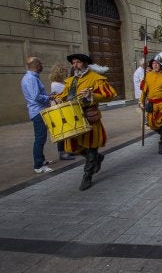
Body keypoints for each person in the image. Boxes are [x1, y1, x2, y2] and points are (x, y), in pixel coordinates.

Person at [55, 54, 117, 191]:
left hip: (89, 117)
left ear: (85, 64)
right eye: (73, 63)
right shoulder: (70, 81)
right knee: (76, 147)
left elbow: (110, 95)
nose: (75, 65)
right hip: (73, 118)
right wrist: (58, 99)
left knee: (91, 146)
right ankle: (97, 158)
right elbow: (63, 95)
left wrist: (92, 96)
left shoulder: (96, 79)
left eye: (78, 62)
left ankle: (87, 176)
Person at [21, 57, 55, 174]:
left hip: (39, 111)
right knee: (40, 139)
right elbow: (36, 97)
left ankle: (42, 160)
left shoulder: (32, 77)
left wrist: (47, 96)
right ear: (36, 65)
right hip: (38, 112)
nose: (42, 65)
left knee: (41, 138)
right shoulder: (31, 78)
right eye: (41, 63)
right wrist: (49, 97)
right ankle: (38, 165)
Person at [49, 62, 75, 161]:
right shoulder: (56, 85)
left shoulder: (60, 83)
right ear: (61, 73)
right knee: (63, 131)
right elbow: (69, 93)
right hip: (60, 110)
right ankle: (62, 153)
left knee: (67, 130)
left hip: (64, 108)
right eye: (65, 71)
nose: (67, 73)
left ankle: (68, 150)